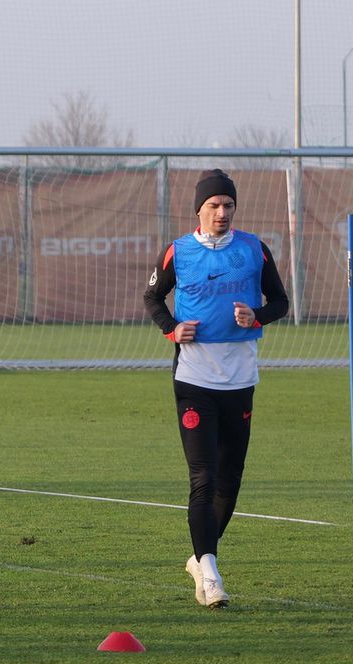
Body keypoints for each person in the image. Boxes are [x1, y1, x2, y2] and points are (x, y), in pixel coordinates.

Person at [144, 169, 289, 609]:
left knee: (230, 481)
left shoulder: (254, 249)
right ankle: (210, 574)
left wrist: (257, 317)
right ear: (199, 211)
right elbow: (153, 297)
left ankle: (198, 558)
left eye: (228, 205)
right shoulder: (178, 251)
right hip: (194, 380)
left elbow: (280, 301)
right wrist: (173, 328)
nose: (222, 212)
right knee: (203, 478)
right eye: (214, 205)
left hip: (241, 379)